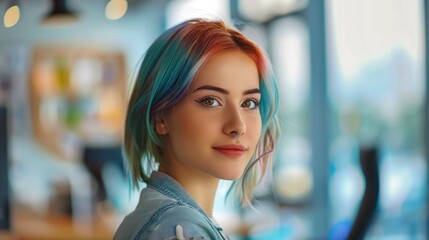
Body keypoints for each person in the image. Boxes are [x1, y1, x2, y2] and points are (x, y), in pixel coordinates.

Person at [114, 18, 279, 240]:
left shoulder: (160, 218)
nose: (238, 126)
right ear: (160, 117)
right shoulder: (179, 228)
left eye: (249, 103)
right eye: (211, 101)